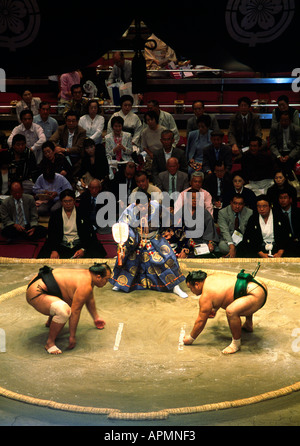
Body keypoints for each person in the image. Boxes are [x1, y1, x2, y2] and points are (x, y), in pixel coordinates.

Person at [110, 191, 188, 298]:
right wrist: (125, 241)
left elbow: (170, 220)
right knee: (130, 260)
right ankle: (121, 283)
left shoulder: (156, 207)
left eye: (145, 205)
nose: (143, 208)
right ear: (136, 204)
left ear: (149, 201)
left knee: (167, 258)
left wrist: (169, 231)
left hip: (155, 238)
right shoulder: (130, 210)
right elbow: (121, 227)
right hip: (136, 239)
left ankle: (175, 286)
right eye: (140, 206)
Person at [26, 263, 111, 354]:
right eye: (107, 279)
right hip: (37, 293)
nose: (107, 282)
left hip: (43, 283)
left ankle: (50, 322)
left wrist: (96, 318)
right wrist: (72, 336)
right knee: (65, 311)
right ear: (98, 277)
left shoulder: (88, 276)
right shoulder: (85, 285)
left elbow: (90, 299)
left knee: (69, 296)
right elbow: (75, 312)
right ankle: (50, 343)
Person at [183, 267, 268, 354]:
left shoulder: (205, 296)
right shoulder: (212, 277)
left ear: (197, 284)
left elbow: (201, 320)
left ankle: (236, 344)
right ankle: (248, 324)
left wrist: (190, 338)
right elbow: (224, 292)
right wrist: (215, 309)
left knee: (231, 311)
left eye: (191, 288)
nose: (191, 291)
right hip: (257, 285)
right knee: (239, 297)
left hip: (255, 295)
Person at [39, 189, 106, 259]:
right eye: (65, 201)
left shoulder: (82, 213)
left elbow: (89, 232)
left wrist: (83, 249)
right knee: (44, 255)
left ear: (74, 201)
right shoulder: (56, 214)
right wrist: (54, 250)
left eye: (70, 201)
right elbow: (51, 234)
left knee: (97, 250)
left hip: (79, 244)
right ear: (61, 202)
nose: (68, 204)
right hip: (61, 244)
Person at [171, 189, 219, 258]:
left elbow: (210, 231)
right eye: (192, 198)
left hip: (201, 243)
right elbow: (176, 232)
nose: (195, 200)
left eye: (197, 198)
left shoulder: (205, 213)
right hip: (184, 242)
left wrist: (210, 243)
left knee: (207, 251)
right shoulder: (180, 212)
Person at [50, 111, 86, 176]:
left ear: (77, 121)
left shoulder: (82, 131)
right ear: (66, 121)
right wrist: (58, 148)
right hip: (63, 156)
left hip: (77, 157)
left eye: (73, 121)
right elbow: (52, 140)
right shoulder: (61, 128)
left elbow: (78, 148)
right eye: (69, 121)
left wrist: (64, 149)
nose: (71, 123)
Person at [269, 111, 300, 180]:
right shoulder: (275, 128)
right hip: (279, 152)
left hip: (292, 152)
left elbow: (298, 146)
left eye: (286, 120)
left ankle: (288, 178)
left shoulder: (296, 129)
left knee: (289, 163)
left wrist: (289, 156)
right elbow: (272, 145)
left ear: (290, 121)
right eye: (282, 120)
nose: (283, 122)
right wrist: (278, 155)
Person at [277, 189, 300, 257]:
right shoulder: (276, 214)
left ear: (290, 199)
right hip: (284, 244)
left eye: (285, 198)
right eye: (281, 198)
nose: (283, 200)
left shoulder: (298, 212)